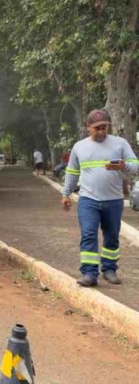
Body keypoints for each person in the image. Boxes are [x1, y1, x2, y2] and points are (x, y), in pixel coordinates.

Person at [61, 110, 139, 287]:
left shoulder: (120, 143)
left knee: (111, 236)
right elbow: (72, 172)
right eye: (97, 128)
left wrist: (123, 166)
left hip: (114, 200)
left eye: (104, 127)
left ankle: (109, 270)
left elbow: (135, 165)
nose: (102, 131)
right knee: (88, 235)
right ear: (88, 127)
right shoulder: (79, 147)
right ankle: (89, 273)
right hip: (88, 200)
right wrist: (66, 194)